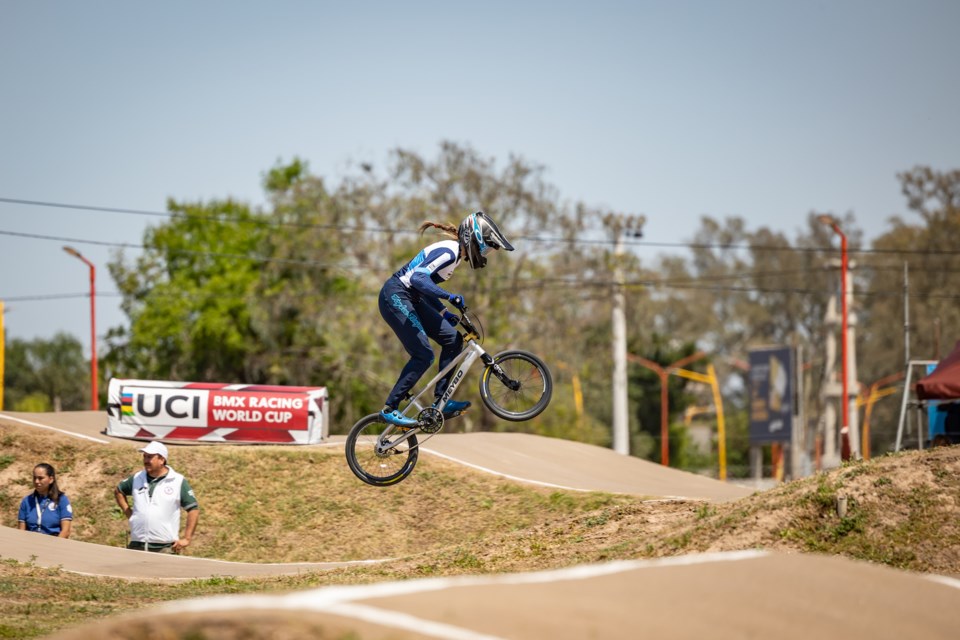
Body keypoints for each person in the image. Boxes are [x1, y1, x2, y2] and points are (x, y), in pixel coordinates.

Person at [379, 210, 514, 427]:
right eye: (486, 247)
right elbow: (417, 279)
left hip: (412, 297)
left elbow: (425, 289)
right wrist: (449, 297)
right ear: (474, 239)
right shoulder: (450, 252)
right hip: (396, 295)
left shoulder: (455, 258)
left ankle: (441, 401)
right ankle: (390, 408)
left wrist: (444, 313)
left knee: (453, 339)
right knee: (423, 354)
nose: (485, 254)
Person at [114, 441, 199, 553]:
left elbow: (193, 509)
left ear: (162, 460)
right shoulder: (137, 478)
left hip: (165, 548)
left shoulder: (177, 481)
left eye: (150, 457)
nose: (145, 461)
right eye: (144, 457)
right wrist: (129, 514)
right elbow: (119, 491)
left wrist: (187, 539)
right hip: (137, 545)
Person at [17, 463, 72, 537]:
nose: (36, 481)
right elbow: (21, 530)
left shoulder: (62, 500)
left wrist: (53, 547)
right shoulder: (27, 501)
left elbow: (66, 531)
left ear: (51, 479)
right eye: (34, 478)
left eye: (40, 478)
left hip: (53, 544)